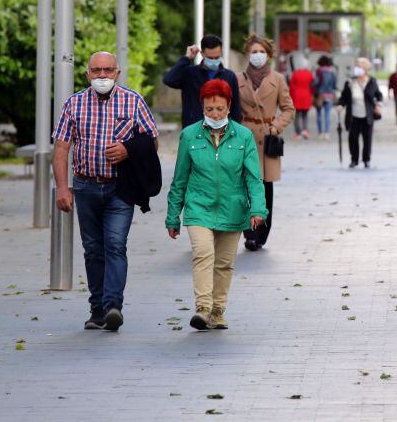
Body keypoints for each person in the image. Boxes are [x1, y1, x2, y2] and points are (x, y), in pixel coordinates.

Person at [52, 51, 159, 331]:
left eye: (108, 70)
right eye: (97, 70)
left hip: (119, 188)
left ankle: (113, 306)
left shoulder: (133, 101)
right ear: (87, 73)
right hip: (86, 185)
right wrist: (63, 187)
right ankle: (97, 308)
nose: (102, 76)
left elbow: (152, 141)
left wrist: (128, 149)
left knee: (114, 244)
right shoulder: (73, 104)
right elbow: (61, 149)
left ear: (117, 73)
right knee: (93, 250)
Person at [166, 80, 266, 331]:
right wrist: (172, 216)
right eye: (210, 109)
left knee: (224, 263)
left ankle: (218, 311)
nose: (215, 114)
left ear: (229, 107)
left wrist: (258, 209)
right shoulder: (189, 135)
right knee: (203, 254)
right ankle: (202, 308)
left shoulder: (243, 136)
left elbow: (253, 177)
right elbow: (179, 179)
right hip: (199, 207)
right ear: (202, 108)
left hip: (233, 208)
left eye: (220, 109)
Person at [236, 35, 295, 251]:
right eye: (254, 51)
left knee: (265, 187)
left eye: (262, 52)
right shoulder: (237, 79)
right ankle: (249, 233)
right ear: (247, 54)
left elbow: (289, 108)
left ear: (268, 55)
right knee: (244, 186)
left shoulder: (277, 79)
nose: (257, 55)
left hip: (266, 138)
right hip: (244, 137)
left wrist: (276, 126)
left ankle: (261, 232)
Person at [163, 35, 242, 128]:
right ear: (202, 53)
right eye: (210, 58)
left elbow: (235, 108)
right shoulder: (190, 73)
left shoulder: (229, 76)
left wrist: (235, 133)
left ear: (221, 52)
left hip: (222, 130)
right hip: (194, 130)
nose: (213, 61)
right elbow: (169, 79)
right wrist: (187, 58)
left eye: (216, 57)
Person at [338, 57, 383, 168]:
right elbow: (343, 97)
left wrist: (378, 105)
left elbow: (379, 95)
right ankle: (354, 159)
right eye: (356, 66)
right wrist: (340, 105)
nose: (357, 68)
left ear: (365, 68)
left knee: (367, 139)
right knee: (353, 138)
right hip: (353, 115)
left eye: (359, 66)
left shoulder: (372, 81)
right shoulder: (350, 82)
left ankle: (366, 160)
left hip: (368, 115)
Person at [288, 54, 314, 140]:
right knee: (305, 115)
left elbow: (291, 87)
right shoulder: (309, 74)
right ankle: (305, 130)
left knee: (297, 116)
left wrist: (290, 97)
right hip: (306, 96)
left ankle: (298, 133)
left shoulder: (295, 74)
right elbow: (312, 85)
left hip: (297, 96)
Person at [313, 55, 338, 140]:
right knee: (327, 115)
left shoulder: (319, 71)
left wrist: (312, 87)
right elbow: (335, 85)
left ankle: (320, 133)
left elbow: (315, 82)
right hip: (329, 95)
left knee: (319, 114)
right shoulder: (332, 72)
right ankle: (327, 133)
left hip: (320, 95)